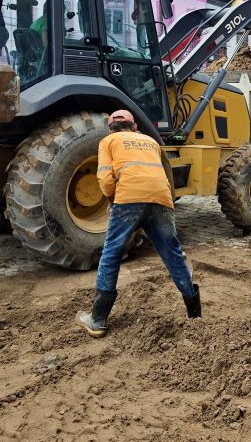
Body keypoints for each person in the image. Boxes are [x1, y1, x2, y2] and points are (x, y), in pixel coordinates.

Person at [76, 109, 201, 338]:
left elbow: (105, 178)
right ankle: (194, 314)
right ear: (134, 127)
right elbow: (164, 173)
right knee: (173, 253)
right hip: (161, 199)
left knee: (111, 254)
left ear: (111, 128)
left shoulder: (108, 141)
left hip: (128, 200)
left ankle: (97, 320)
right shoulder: (151, 141)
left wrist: (112, 201)